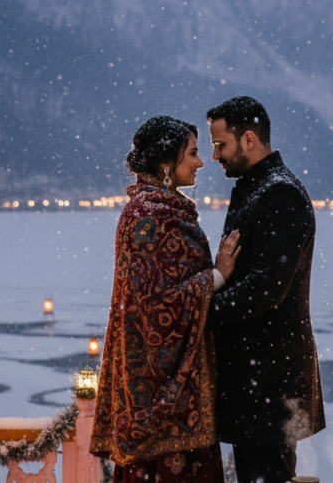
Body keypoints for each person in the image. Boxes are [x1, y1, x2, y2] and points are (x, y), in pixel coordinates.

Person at [90, 116, 242, 483]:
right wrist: (218, 275)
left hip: (164, 393)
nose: (201, 162)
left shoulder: (153, 210)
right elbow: (156, 310)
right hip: (167, 403)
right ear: (165, 165)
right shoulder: (153, 217)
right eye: (192, 153)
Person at [206, 97, 326, 483]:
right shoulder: (258, 189)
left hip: (269, 384)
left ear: (249, 140)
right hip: (257, 381)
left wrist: (198, 313)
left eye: (220, 144)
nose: (214, 156)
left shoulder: (280, 194)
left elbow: (266, 288)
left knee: (267, 477)